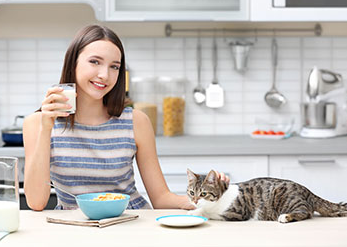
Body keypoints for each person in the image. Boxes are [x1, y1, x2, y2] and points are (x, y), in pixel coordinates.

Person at [23, 24, 229, 211]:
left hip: (131, 226)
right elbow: (36, 202)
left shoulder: (136, 121)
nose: (104, 74)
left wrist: (211, 200)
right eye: (95, 62)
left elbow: (161, 198)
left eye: (114, 66)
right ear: (73, 63)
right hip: (74, 230)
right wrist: (46, 128)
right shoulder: (37, 124)